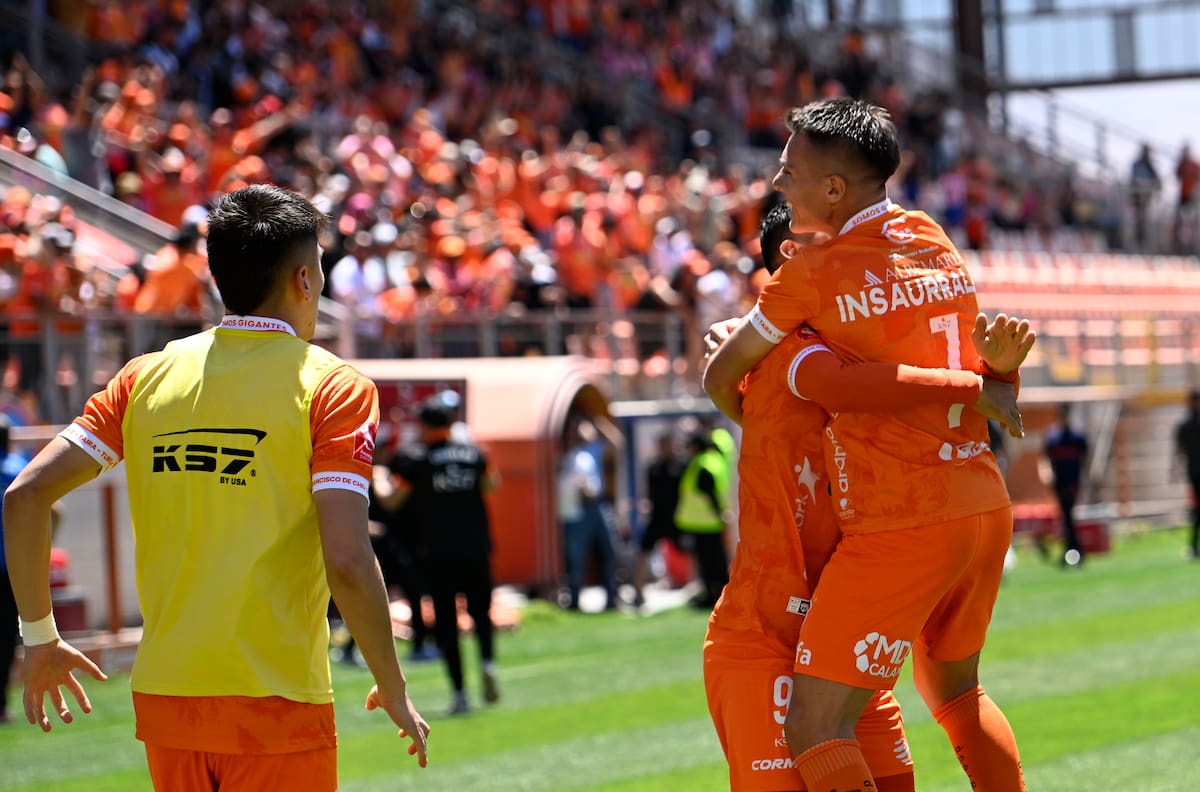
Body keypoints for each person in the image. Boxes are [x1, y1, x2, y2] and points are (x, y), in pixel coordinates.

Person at [2, 185, 429, 789]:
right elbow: (348, 560)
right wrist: (392, 684)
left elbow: (24, 496)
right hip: (277, 701)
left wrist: (40, 637)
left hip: (167, 702)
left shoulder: (144, 377)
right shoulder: (334, 388)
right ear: (304, 280)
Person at [703, 98, 1028, 791]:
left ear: (831, 189)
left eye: (789, 171)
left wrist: (759, 401)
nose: (777, 182)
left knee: (816, 726)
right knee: (957, 692)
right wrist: (992, 382)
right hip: (981, 499)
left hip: (903, 519)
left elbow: (727, 376)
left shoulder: (811, 278)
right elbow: (953, 352)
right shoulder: (931, 237)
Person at [376, 397, 500, 715]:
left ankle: (460, 693)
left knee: (446, 622)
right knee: (481, 612)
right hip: (477, 546)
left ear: (425, 426)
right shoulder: (474, 453)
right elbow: (491, 485)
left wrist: (377, 476)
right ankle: (488, 662)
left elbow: (391, 502)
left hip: (438, 551)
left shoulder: (416, 459)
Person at [557, 419, 619, 611]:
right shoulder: (565, 455)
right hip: (577, 509)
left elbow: (617, 445)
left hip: (598, 505)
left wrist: (598, 422)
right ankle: (574, 599)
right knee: (576, 557)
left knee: (608, 551)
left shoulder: (592, 450)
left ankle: (612, 597)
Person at [676, 431, 731, 609]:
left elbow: (708, 491)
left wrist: (718, 512)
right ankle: (718, 594)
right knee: (716, 561)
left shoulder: (701, 464)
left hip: (704, 522)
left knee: (709, 563)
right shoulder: (713, 461)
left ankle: (713, 595)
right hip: (709, 522)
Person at [631, 430, 685, 608]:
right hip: (657, 517)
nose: (664, 448)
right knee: (643, 552)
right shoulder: (653, 467)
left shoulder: (682, 465)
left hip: (677, 517)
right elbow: (647, 492)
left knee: (692, 551)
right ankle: (638, 593)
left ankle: (699, 588)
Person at [0, 414, 30, 724]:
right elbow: (53, 510)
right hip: (10, 567)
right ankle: (2, 705)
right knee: (7, 636)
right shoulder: (18, 468)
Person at [1044, 403, 1090, 567]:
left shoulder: (1077, 436)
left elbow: (1085, 458)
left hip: (1073, 481)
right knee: (1066, 516)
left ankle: (1073, 550)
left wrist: (1087, 479)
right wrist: (1046, 473)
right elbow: (1045, 457)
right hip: (1059, 482)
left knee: (1069, 516)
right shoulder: (1052, 436)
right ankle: (1075, 550)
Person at [1175, 389, 1200, 559]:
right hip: (1195, 474)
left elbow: (1179, 451)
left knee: (1197, 511)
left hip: (1193, 473)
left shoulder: (1184, 426)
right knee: (1197, 511)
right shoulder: (1186, 425)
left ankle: (1193, 545)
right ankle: (1193, 545)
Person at [1129, 143, 1161, 251]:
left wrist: (1152, 185)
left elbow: (1157, 182)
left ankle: (1146, 244)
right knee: (1137, 221)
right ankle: (1136, 244)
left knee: (1146, 222)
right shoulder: (1136, 165)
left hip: (1147, 199)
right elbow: (1132, 180)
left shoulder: (1151, 166)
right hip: (1137, 198)